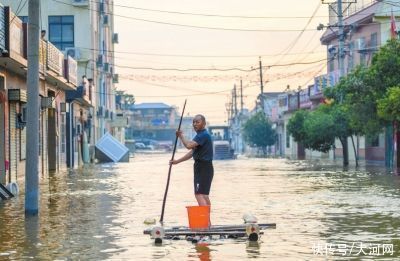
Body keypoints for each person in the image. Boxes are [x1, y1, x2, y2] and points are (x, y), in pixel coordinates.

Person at [170, 114, 214, 207]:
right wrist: (177, 161)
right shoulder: (201, 136)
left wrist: (181, 136)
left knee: (199, 194)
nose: (195, 124)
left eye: (197, 122)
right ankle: (207, 220)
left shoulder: (202, 135)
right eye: (193, 122)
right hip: (205, 167)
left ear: (204, 123)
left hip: (203, 167)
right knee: (204, 195)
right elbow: (192, 153)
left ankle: (205, 220)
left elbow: (188, 145)